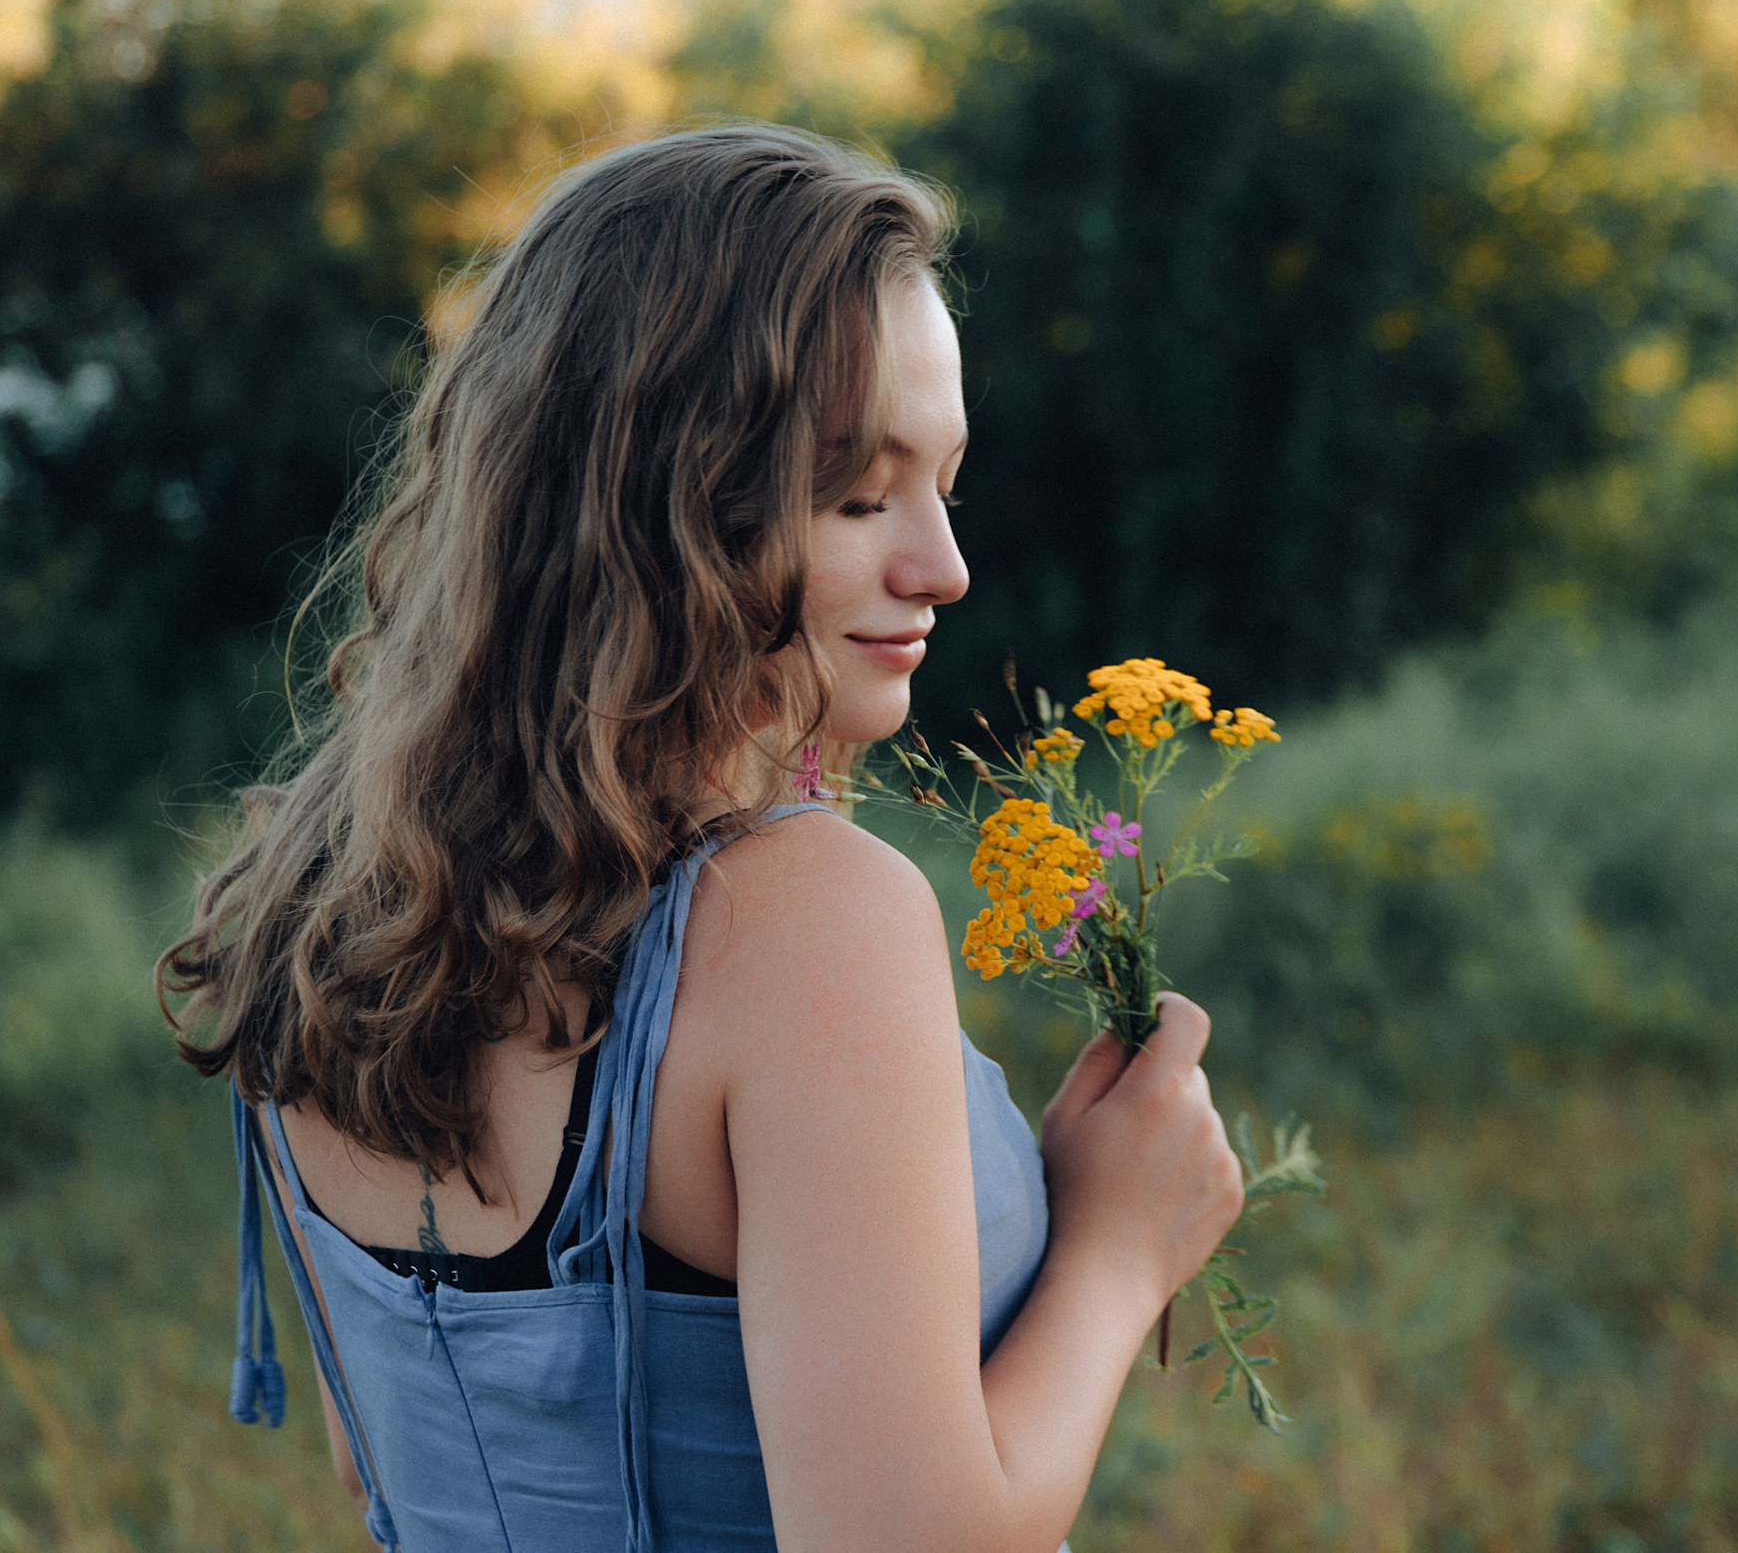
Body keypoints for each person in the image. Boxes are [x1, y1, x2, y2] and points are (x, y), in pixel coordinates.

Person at [157, 122, 1243, 1553]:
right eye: (859, 495)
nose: (944, 566)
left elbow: (388, 1470)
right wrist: (1118, 1249)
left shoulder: (323, 898)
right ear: (663, 506)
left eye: (946, 484)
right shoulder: (805, 919)